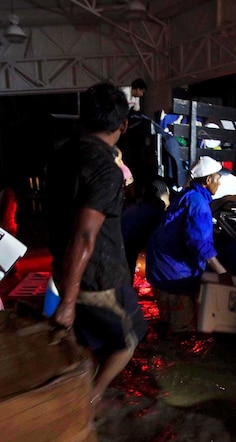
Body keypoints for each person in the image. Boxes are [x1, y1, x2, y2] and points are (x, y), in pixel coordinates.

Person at [45, 82, 148, 408]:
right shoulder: (106, 170)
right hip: (97, 276)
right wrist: (68, 302)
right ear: (123, 125)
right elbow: (86, 236)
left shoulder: (62, 154)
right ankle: (91, 397)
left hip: (64, 269)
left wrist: (66, 291)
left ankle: (80, 387)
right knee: (129, 338)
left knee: (89, 337)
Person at [145, 156, 233, 334]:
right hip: (172, 272)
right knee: (182, 330)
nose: (220, 183)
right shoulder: (198, 203)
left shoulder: (189, 194)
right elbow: (199, 243)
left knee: (167, 325)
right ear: (208, 180)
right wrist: (222, 272)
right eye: (218, 179)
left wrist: (224, 201)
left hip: (160, 265)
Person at [121, 179, 170, 277]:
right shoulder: (156, 214)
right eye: (168, 196)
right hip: (127, 258)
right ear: (162, 195)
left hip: (118, 254)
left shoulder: (135, 208)